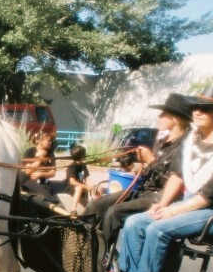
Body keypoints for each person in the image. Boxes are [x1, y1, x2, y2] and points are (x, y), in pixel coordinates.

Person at [112, 87, 213, 272]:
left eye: (206, 108)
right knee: (134, 223)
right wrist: (164, 204)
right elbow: (178, 175)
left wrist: (174, 212)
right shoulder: (192, 138)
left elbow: (208, 197)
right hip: (191, 205)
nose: (197, 112)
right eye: (196, 107)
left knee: (158, 229)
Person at [82, 93, 192, 245]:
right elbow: (154, 174)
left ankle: (98, 256)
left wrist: (151, 161)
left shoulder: (186, 145)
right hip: (144, 192)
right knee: (97, 204)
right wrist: (137, 168)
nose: (159, 116)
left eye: (163, 113)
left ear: (175, 118)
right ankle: (81, 244)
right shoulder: (163, 142)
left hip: (161, 197)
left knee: (114, 212)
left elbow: (177, 179)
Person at [20, 132, 69, 216]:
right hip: (29, 180)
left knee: (48, 189)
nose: (51, 143)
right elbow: (28, 172)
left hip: (43, 180)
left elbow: (53, 173)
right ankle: (55, 213)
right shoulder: (30, 152)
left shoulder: (51, 154)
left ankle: (56, 215)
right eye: (48, 141)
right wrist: (40, 159)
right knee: (46, 195)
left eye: (51, 141)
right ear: (40, 141)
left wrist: (40, 174)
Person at [65, 143, 94, 215]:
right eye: (84, 154)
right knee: (79, 188)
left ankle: (95, 207)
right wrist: (85, 186)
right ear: (81, 156)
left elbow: (86, 177)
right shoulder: (72, 166)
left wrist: (91, 185)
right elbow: (72, 182)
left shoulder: (83, 165)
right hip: (71, 186)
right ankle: (73, 210)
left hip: (80, 184)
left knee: (97, 187)